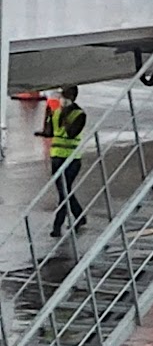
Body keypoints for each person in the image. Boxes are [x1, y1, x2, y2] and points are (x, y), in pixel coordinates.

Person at [48, 85, 88, 238]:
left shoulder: (79, 114)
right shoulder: (56, 112)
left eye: (66, 96)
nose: (63, 99)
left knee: (63, 192)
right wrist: (47, 118)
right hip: (56, 157)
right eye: (62, 95)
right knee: (65, 191)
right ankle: (79, 216)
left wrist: (65, 118)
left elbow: (72, 133)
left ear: (73, 97)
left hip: (72, 159)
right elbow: (50, 132)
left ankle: (57, 225)